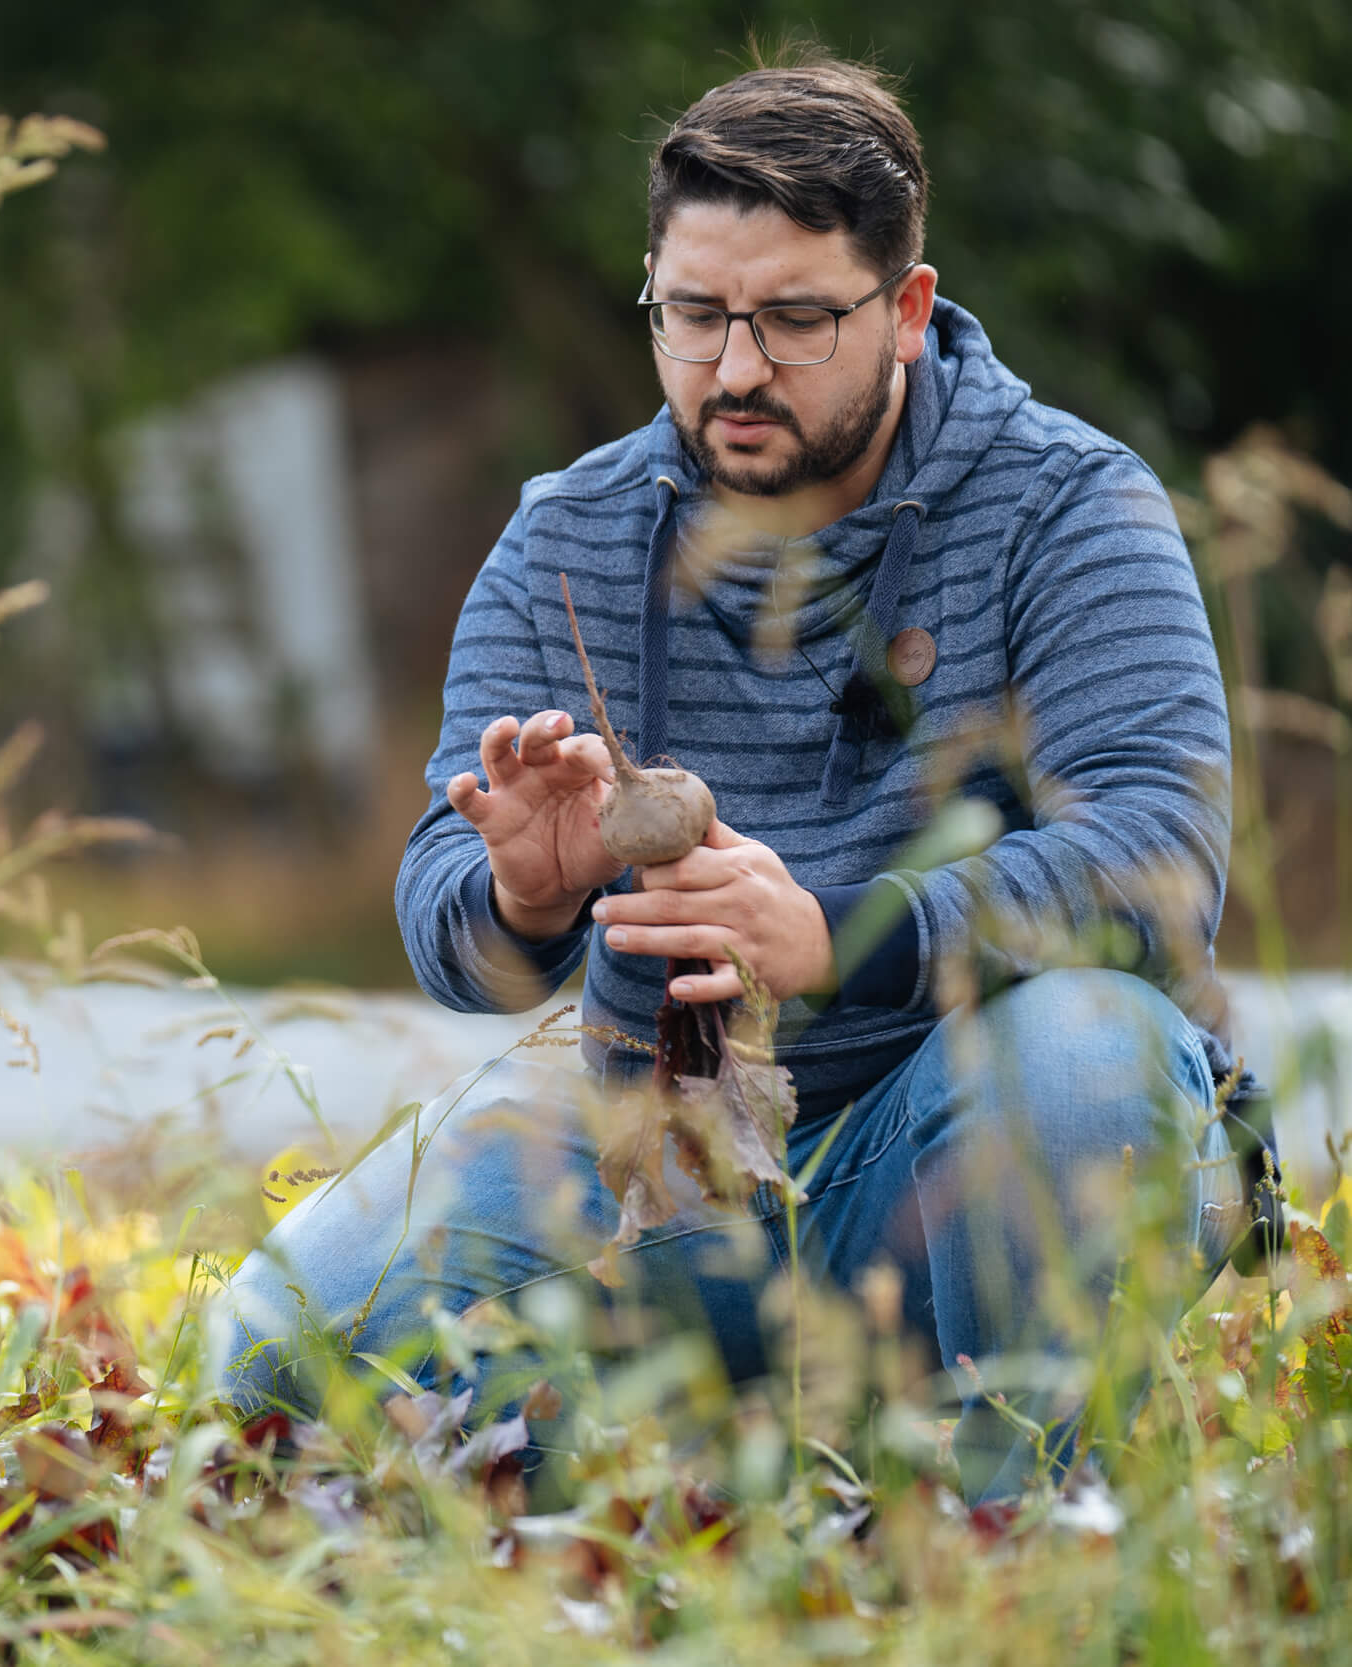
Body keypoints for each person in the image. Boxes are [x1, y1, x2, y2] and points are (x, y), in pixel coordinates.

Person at [213, 55, 1246, 1503]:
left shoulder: (1068, 505)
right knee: (274, 1353)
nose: (737, 367)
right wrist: (519, 890)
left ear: (908, 309)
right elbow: (452, 931)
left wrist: (838, 935)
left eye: (796, 320)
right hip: (668, 1175)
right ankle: (708, 1470)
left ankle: (1032, 1537)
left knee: (1089, 1053)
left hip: (965, 1138)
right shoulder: (569, 534)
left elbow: (1160, 858)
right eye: (694, 316)